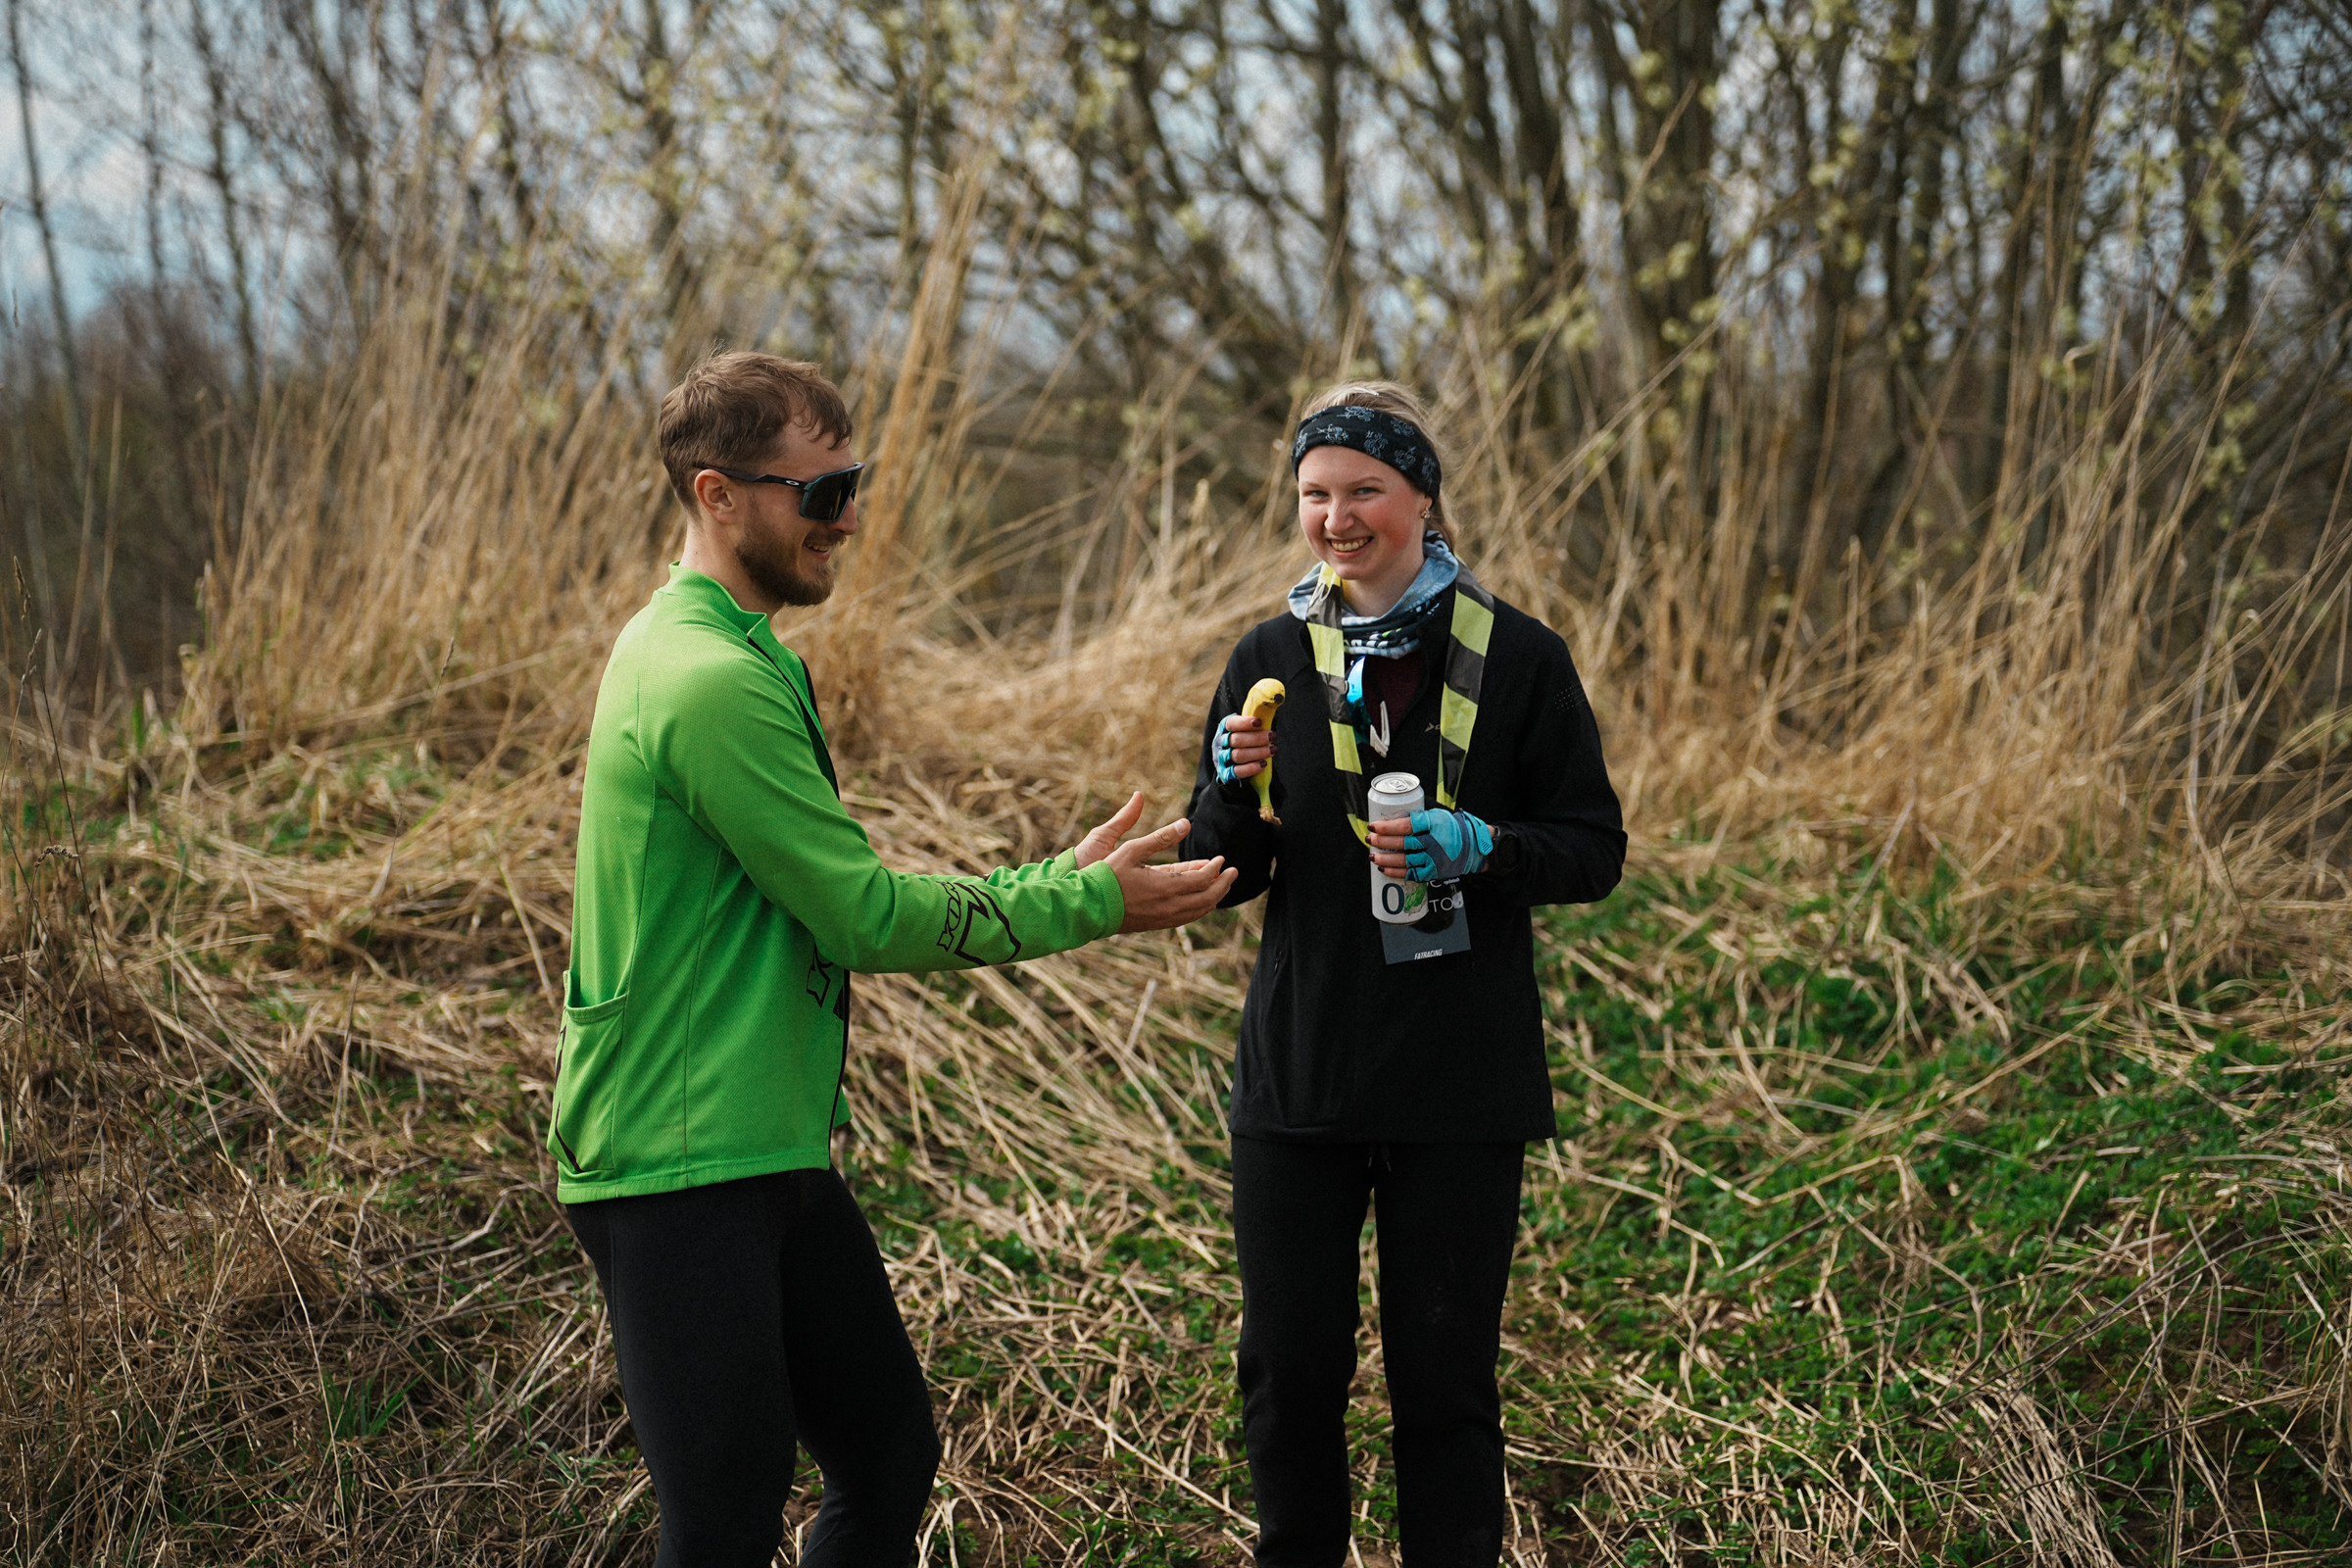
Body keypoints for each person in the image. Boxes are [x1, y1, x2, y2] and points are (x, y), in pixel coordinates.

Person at [554, 350, 1235, 1568]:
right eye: (820, 492)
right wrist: (1079, 902)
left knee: (884, 1452)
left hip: (757, 1140)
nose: (849, 515)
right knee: (720, 1521)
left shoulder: (734, 649)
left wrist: (1051, 881)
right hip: (674, 1156)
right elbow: (861, 915)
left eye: (852, 481)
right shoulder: (705, 678)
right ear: (718, 496)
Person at [1181, 383, 1624, 1567]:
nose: (1338, 517)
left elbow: (1595, 849)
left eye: (1365, 489)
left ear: (1422, 495)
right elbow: (1232, 867)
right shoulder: (1270, 655)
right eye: (1316, 493)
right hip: (1303, 1076)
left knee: (1444, 1388)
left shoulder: (1520, 657)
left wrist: (1485, 849)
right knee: (1289, 1379)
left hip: (1456, 1084)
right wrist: (1232, 786)